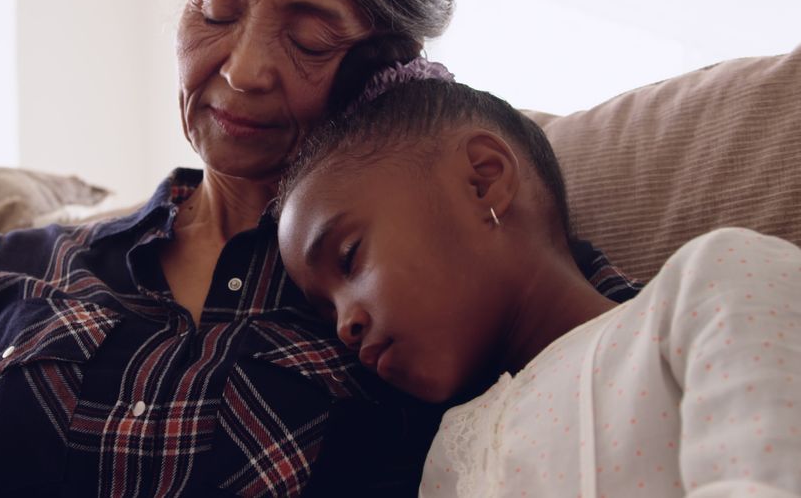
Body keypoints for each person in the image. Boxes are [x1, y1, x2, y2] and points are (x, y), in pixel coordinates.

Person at [0, 0, 639, 496]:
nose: (244, 70)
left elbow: (628, 358)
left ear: (385, 61)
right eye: (217, 8)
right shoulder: (17, 268)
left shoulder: (428, 269)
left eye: (307, 40)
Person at [275, 60, 801, 497]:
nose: (344, 326)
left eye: (349, 257)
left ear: (483, 181)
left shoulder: (711, 281)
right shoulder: (449, 454)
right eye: (327, 309)